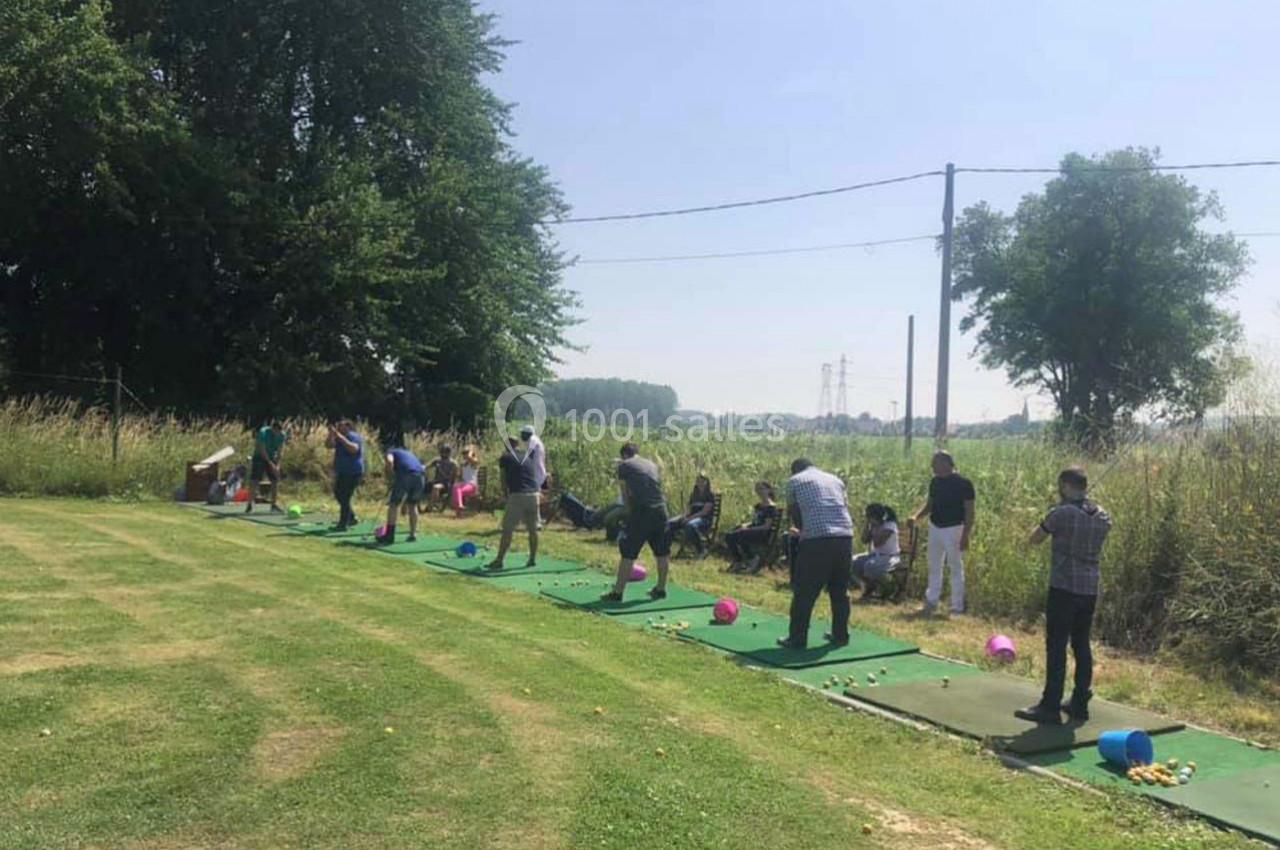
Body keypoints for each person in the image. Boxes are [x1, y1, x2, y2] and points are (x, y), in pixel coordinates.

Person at [1015, 468, 1112, 725]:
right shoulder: (1103, 516)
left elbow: (1035, 539)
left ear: (1066, 486)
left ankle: (1050, 705)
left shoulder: (1062, 513)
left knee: (1057, 645)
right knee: (1081, 644)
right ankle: (1080, 702)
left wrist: (1055, 510)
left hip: (1064, 588)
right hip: (1089, 589)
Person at [778, 459, 854, 649]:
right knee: (840, 590)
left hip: (817, 541)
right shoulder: (835, 480)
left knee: (804, 591)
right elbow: (843, 506)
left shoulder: (794, 481)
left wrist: (801, 530)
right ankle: (840, 635)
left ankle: (797, 638)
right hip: (845, 537)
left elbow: (795, 513)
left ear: (794, 469)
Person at [602, 443, 671, 602]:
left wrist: (626, 515)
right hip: (661, 510)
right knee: (662, 552)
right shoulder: (651, 464)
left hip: (642, 511)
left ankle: (617, 593)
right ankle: (661, 589)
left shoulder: (623, 466)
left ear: (624, 455)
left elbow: (625, 496)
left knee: (628, 553)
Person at [909, 451, 975, 614]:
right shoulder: (935, 482)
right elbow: (929, 505)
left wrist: (965, 535)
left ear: (946, 463)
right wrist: (916, 517)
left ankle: (956, 607)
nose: (932, 466)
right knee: (934, 565)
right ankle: (931, 601)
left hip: (954, 529)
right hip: (935, 527)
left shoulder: (964, 484)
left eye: (935, 463)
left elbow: (970, 512)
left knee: (955, 568)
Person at [486, 438, 540, 570]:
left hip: (518, 495)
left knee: (507, 529)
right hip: (534, 495)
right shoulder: (527, 456)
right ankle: (532, 559)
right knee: (533, 529)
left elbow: (503, 479)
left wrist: (505, 496)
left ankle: (499, 560)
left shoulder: (505, 457)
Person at [725, 481, 780, 573]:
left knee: (738, 535)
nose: (759, 491)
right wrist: (745, 525)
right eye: (757, 489)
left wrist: (748, 529)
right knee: (730, 535)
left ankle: (751, 558)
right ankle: (739, 560)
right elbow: (755, 521)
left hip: (762, 533)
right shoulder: (758, 506)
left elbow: (766, 526)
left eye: (762, 489)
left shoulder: (771, 507)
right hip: (754, 530)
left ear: (768, 490)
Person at [376, 442, 425, 545]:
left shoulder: (390, 452)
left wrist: (390, 477)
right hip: (420, 476)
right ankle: (413, 534)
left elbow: (389, 462)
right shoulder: (408, 453)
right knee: (413, 505)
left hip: (405, 475)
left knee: (394, 505)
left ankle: (389, 536)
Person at [851, 503, 901, 597]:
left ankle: (888, 588)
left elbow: (878, 543)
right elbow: (864, 540)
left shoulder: (890, 525)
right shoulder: (873, 524)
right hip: (875, 555)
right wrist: (867, 525)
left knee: (870, 566)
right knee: (853, 562)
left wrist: (876, 527)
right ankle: (870, 586)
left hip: (890, 556)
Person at [326, 420, 364, 530]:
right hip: (342, 471)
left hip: (353, 471)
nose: (338, 427)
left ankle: (343, 524)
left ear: (348, 427)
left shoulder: (353, 436)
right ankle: (351, 517)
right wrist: (331, 435)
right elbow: (328, 445)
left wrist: (339, 436)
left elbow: (354, 449)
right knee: (338, 494)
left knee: (345, 497)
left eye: (340, 426)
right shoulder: (339, 437)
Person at [667, 474, 716, 557]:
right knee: (670, 523)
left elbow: (704, 512)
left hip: (704, 519)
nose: (700, 483)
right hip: (691, 517)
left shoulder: (710, 495)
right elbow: (689, 508)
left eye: (702, 481)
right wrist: (684, 516)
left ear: (706, 482)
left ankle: (702, 550)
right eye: (698, 481)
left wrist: (689, 518)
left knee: (690, 525)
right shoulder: (694, 494)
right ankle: (666, 548)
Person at [245, 421, 287, 513]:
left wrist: (278, 466)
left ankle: (273, 505)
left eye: (280, 432)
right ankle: (249, 504)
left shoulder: (282, 435)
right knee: (255, 481)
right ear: (273, 429)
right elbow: (262, 451)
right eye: (276, 432)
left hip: (272, 457)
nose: (278, 434)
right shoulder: (263, 432)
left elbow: (280, 451)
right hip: (259, 457)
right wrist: (271, 465)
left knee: (275, 481)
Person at [450, 445, 481, 518]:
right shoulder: (463, 464)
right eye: (463, 453)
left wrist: (470, 451)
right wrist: (458, 475)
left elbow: (470, 458)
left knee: (458, 490)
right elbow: (460, 476)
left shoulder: (475, 462)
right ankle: (459, 509)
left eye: (466, 453)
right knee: (456, 487)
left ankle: (459, 509)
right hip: (464, 485)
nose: (464, 455)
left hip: (472, 486)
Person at [426, 444, 459, 510]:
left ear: (448, 453)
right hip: (436, 481)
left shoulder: (453, 464)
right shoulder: (437, 460)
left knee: (436, 487)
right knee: (421, 484)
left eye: (445, 452)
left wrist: (440, 469)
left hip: (446, 484)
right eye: (442, 452)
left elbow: (451, 477)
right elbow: (427, 466)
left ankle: (429, 507)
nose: (443, 454)